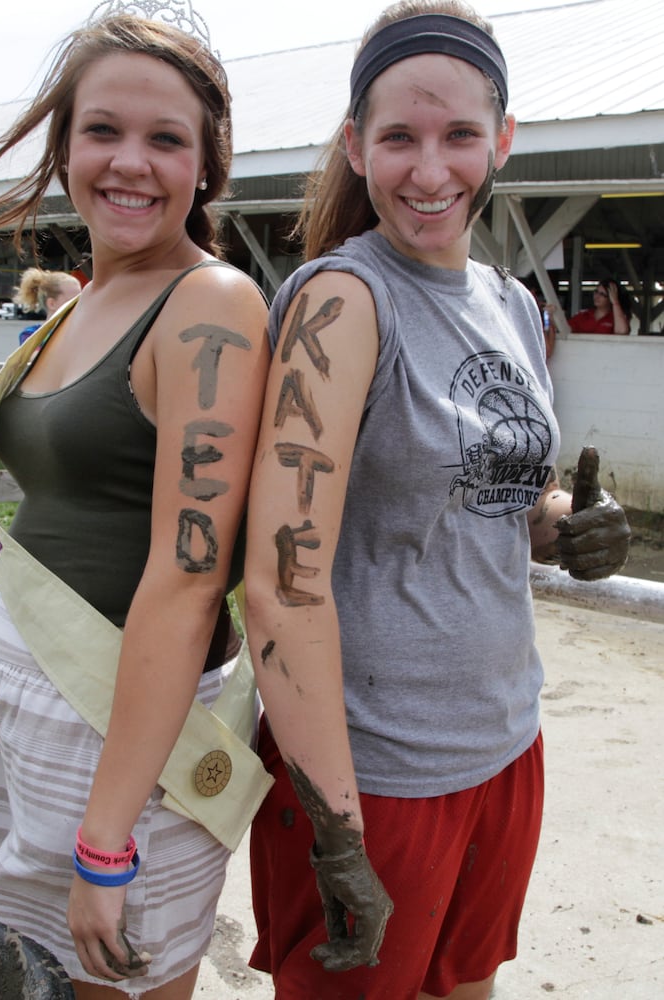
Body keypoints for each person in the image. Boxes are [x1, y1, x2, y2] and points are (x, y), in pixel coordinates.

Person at [242, 3, 632, 999]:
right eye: (398, 138)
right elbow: (281, 585)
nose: (428, 169)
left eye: (458, 134)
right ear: (353, 146)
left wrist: (561, 527)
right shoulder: (342, 302)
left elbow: (492, 496)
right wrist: (333, 826)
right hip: (374, 771)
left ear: (500, 139)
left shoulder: (510, 304)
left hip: (504, 737)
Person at [0, 5, 269, 999]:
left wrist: (105, 841)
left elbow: (189, 580)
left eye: (166, 139)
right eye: (103, 130)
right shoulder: (78, 301)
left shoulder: (210, 305)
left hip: (122, 737)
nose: (130, 162)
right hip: (14, 690)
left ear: (206, 162)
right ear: (65, 142)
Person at [14, 267, 83, 344]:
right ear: (52, 304)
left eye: (81, 300)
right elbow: (37, 355)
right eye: (72, 301)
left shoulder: (83, 332)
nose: (79, 305)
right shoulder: (31, 335)